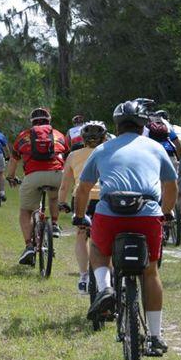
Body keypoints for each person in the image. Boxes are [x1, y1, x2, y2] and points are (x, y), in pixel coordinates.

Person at [74, 100, 178, 355]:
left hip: (110, 212)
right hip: (147, 213)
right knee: (150, 272)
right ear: (143, 124)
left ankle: (105, 286)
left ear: (116, 125)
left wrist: (79, 216)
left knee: (99, 249)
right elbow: (171, 186)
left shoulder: (103, 149)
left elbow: (83, 188)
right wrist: (165, 213)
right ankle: (155, 337)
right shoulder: (156, 148)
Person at [6, 107, 69, 264]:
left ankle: (28, 246)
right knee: (53, 198)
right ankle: (54, 225)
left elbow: (14, 160)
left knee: (26, 211)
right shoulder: (59, 135)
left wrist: (11, 177)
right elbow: (68, 157)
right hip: (57, 175)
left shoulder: (24, 136)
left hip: (33, 177)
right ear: (49, 121)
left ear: (32, 122)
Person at [58, 120, 107, 294]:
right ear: (104, 137)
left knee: (81, 235)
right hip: (105, 198)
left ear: (82, 138)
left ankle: (84, 277)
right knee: (108, 236)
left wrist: (61, 202)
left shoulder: (73, 156)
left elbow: (65, 185)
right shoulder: (109, 152)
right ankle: (112, 277)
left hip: (82, 198)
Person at [157, 110, 181, 230]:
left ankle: (165, 218)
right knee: (180, 193)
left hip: (162, 160)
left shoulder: (152, 129)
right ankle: (180, 218)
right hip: (179, 160)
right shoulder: (179, 129)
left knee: (162, 191)